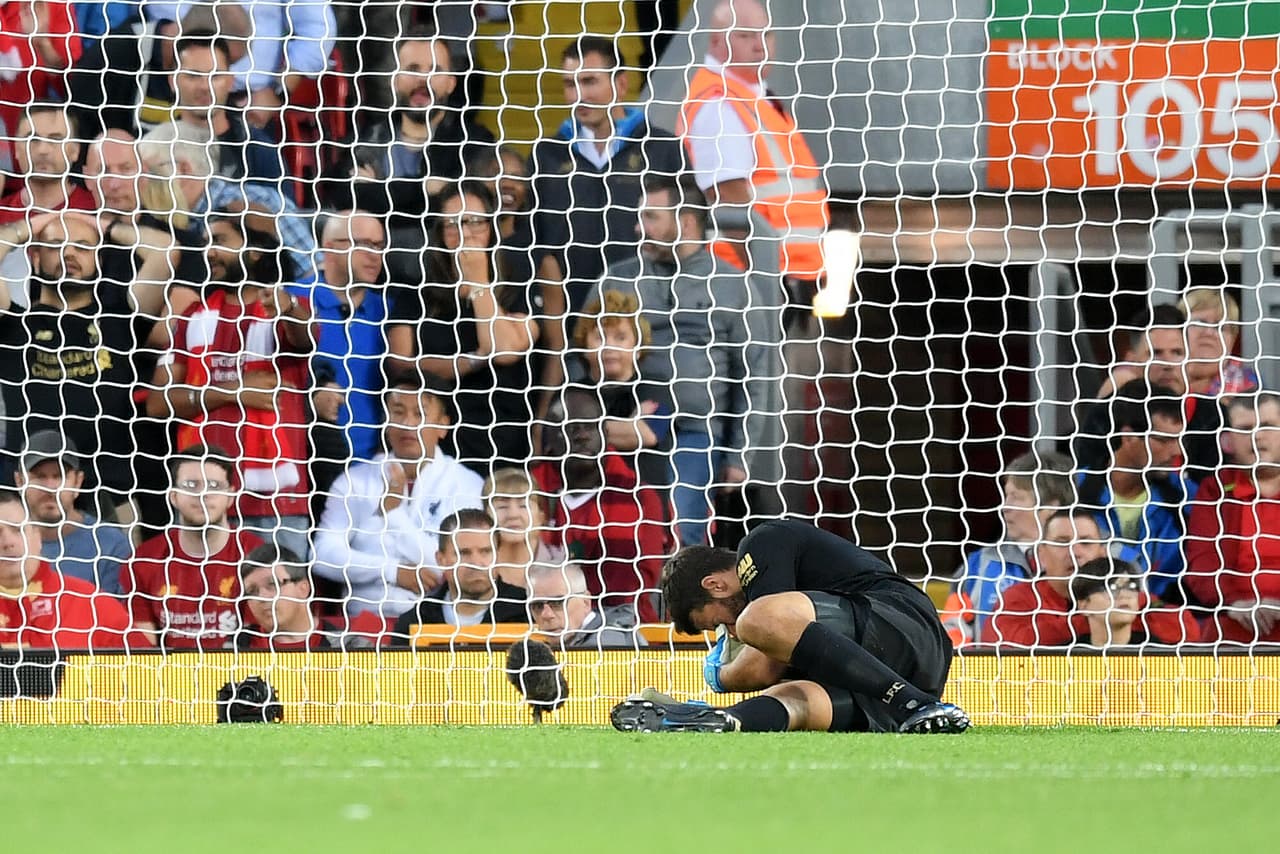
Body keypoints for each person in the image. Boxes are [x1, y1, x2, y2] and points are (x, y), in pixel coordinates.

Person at [611, 520, 968, 734]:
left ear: (715, 585)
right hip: (909, 674)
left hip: (901, 620)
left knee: (759, 621)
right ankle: (715, 720)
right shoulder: (787, 619)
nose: (731, 632)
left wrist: (722, 677)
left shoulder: (761, 542)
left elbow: (764, 659)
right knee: (799, 699)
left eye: (722, 622)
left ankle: (913, 703)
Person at [590, 173, 752, 542]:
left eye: (650, 217)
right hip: (620, 427)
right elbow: (579, 354)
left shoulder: (731, 283)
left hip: (695, 432)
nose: (637, 227)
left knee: (681, 537)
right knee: (621, 534)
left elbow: (752, 375)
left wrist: (738, 454)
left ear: (686, 223)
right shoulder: (617, 279)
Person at [147, 211, 314, 560]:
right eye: (207, 242)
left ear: (254, 251)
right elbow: (158, 403)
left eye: (220, 241)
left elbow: (306, 336)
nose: (209, 252)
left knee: (278, 604)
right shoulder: (192, 317)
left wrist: (290, 307)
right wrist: (235, 390)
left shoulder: (282, 310)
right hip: (203, 500)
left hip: (276, 503)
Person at [529, 35, 686, 392]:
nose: (579, 94)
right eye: (570, 84)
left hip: (649, 334)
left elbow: (688, 234)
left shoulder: (662, 149)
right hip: (572, 339)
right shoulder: (547, 157)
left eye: (589, 81)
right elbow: (536, 244)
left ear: (621, 83)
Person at [0, 210, 162, 513]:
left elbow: (165, 252)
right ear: (35, 258)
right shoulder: (12, 323)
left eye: (83, 246)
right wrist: (28, 227)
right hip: (30, 496)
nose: (69, 253)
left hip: (113, 495)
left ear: (99, 260)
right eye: (56, 245)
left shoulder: (121, 319)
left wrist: (104, 225)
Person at [386, 180, 540, 474]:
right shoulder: (417, 292)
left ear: (492, 227)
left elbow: (505, 349)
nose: (464, 233)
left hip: (501, 443)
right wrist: (474, 359)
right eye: (452, 224)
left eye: (473, 222)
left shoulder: (517, 285)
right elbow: (402, 365)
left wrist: (479, 282)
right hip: (437, 445)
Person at [678, 0, 828, 288]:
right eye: (745, 35)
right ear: (716, 41)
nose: (760, 46)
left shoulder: (750, 96)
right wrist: (765, 280)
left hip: (782, 273)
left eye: (767, 34)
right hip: (749, 280)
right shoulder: (719, 102)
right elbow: (728, 198)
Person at [313, 376, 484, 617]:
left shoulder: (466, 484)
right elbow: (322, 554)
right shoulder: (354, 480)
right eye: (398, 412)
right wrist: (391, 570)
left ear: (443, 425)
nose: (408, 424)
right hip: (361, 623)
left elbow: (459, 566)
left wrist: (393, 514)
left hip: (435, 624)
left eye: (420, 414)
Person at [533, 385, 671, 624]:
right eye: (570, 427)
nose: (582, 435)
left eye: (590, 426)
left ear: (606, 434)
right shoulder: (527, 494)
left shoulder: (639, 498)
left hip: (621, 631)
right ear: (550, 437)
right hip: (538, 622)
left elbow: (629, 589)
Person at [332, 26, 494, 217]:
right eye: (412, 69)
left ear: (451, 84)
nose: (422, 79)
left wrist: (380, 191)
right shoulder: (364, 141)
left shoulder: (475, 142)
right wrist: (424, 188)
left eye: (435, 70)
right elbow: (344, 199)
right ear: (394, 80)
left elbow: (462, 205)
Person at [121, 446, 263, 650]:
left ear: (230, 496)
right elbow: (143, 649)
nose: (203, 494)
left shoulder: (256, 556)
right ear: (173, 496)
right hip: (171, 676)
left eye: (214, 485)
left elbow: (256, 643)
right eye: (191, 485)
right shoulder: (143, 560)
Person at [1075, 381, 1193, 602]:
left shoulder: (1188, 499)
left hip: (1161, 622)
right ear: (1128, 436)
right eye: (1164, 440)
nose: (1177, 451)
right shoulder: (1072, 491)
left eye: (1180, 439)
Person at [943, 450, 1075, 647]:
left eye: (1016, 497)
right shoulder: (978, 564)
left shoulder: (1097, 555)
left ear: (1051, 507)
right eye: (1006, 496)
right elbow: (952, 629)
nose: (1005, 507)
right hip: (993, 675)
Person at [291, 210, 392, 462]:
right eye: (364, 245)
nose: (375, 255)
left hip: (372, 470)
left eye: (380, 246)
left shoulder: (393, 313)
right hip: (303, 463)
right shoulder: (290, 303)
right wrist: (308, 402)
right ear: (330, 248)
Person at [991, 532, 1200, 647]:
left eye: (1086, 542)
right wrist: (1093, 620)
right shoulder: (1068, 656)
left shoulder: (1157, 654)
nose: (1075, 553)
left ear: (1101, 550)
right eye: (1110, 588)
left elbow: (1186, 627)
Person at [1185, 391, 1280, 643]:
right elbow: (1202, 560)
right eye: (1245, 428)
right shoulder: (1215, 489)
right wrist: (1233, 603)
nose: (1257, 435)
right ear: (1228, 440)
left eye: (1268, 426)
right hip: (1233, 621)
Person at [0, 488, 140, 651]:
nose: (8, 542)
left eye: (18, 530)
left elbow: (145, 672)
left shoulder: (93, 603)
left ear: (37, 538)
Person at [568, 290, 674, 492]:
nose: (609, 346)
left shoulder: (656, 388)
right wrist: (629, 423)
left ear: (638, 346)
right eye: (600, 337)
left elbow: (645, 435)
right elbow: (561, 439)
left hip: (643, 504)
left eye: (621, 337)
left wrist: (583, 430)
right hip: (585, 505)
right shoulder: (571, 392)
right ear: (584, 345)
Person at [145, 31, 283, 183]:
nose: (205, 86)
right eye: (193, 76)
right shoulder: (152, 147)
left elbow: (286, 205)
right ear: (173, 82)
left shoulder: (258, 148)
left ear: (230, 82)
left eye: (215, 76)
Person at [15, 431, 131, 595]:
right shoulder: (6, 541)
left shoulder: (111, 544)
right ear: (19, 481)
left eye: (60, 476)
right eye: (40, 476)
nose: (50, 487)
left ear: (78, 482)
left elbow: (114, 616)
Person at [392, 509, 527, 636]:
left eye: (486, 551)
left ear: (498, 556)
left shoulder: (527, 611)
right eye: (463, 553)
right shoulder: (414, 623)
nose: (476, 563)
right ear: (441, 560)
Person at [235, 542, 378, 651]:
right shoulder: (234, 648)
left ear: (303, 589)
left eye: (272, 584)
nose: (262, 597)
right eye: (252, 591)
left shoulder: (351, 648)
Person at [526, 562, 644, 649]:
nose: (546, 615)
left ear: (586, 602)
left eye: (557, 603)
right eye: (537, 606)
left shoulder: (607, 643)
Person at [483, 466, 565, 588]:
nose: (513, 515)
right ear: (485, 517)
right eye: (502, 507)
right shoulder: (476, 567)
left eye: (523, 506)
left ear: (541, 517)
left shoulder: (563, 565)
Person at [1178, 287, 1258, 402]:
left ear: (1233, 339)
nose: (1209, 332)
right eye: (1200, 322)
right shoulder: (1159, 373)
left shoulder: (1248, 385)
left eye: (1220, 327)